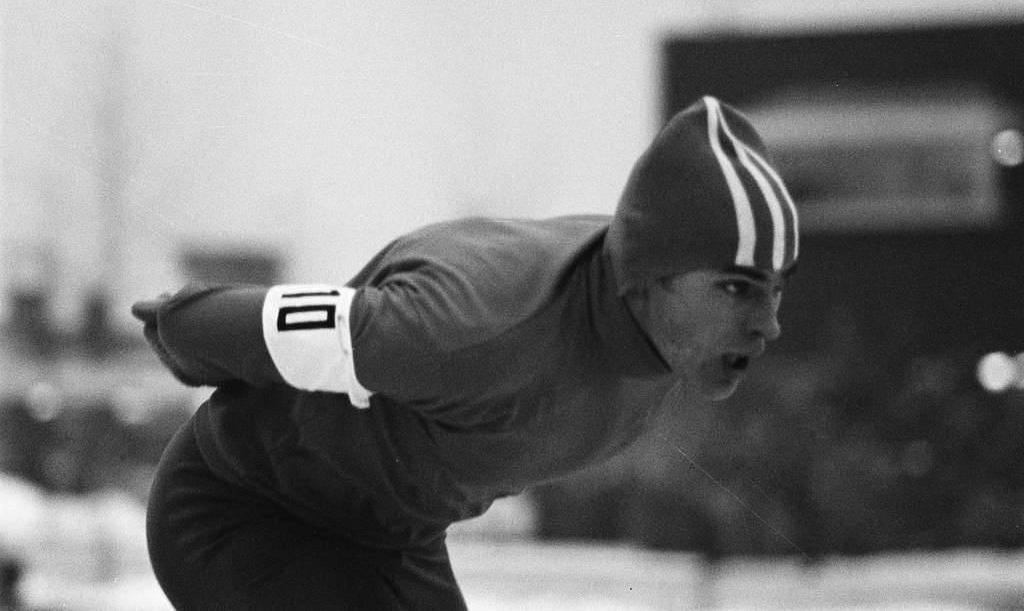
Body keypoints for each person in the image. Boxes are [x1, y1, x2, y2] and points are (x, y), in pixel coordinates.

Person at [133, 95, 799, 610]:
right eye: (737, 288)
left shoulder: (660, 329)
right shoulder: (474, 328)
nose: (767, 324)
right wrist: (177, 326)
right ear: (650, 274)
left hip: (394, 539)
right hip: (242, 505)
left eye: (774, 288)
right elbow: (239, 327)